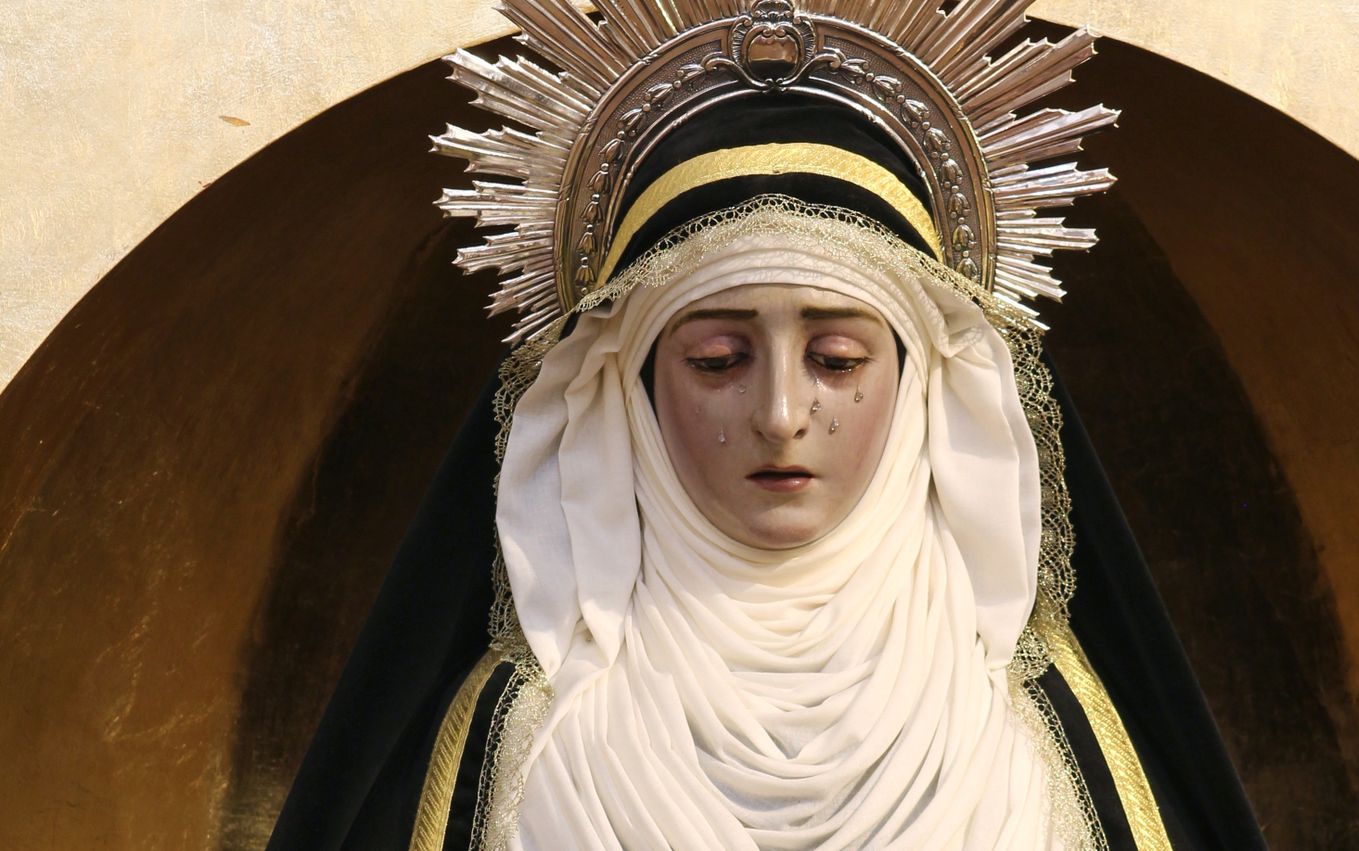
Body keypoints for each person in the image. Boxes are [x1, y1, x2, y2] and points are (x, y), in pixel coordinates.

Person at [269, 2, 1266, 848]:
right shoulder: (519, 746)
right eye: (715, 360)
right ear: (628, 387)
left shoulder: (1051, 746)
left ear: (925, 388)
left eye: (837, 359)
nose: (782, 415)